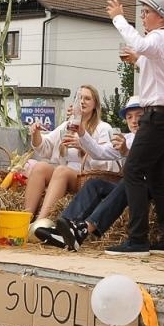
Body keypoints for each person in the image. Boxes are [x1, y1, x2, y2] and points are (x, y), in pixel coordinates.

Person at [40, 98, 164, 251]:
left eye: (139, 115)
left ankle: (84, 229)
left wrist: (126, 152)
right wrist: (81, 131)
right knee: (94, 184)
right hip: (139, 185)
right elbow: (98, 152)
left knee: (128, 180)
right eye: (129, 117)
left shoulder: (161, 137)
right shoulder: (126, 138)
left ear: (149, 117)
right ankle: (64, 230)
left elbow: (158, 170)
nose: (134, 121)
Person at [103, 0, 164, 256]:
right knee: (158, 176)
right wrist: (138, 61)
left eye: (146, 12)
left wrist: (118, 18)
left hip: (159, 115)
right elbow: (156, 70)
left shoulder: (159, 38)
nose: (143, 17)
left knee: (134, 171)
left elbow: (137, 43)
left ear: (161, 17)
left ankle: (137, 239)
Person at [23, 83, 117, 233]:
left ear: (95, 105)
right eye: (79, 98)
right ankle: (24, 218)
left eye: (87, 98)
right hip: (66, 174)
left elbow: (105, 163)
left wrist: (82, 147)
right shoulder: (68, 125)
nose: (82, 101)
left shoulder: (103, 128)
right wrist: (35, 133)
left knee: (61, 170)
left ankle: (41, 223)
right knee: (40, 167)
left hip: (87, 177)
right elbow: (45, 148)